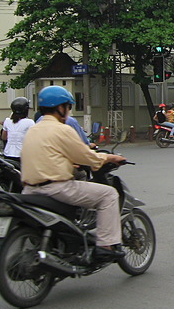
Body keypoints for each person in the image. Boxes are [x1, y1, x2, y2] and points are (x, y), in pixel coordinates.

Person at [20, 86, 126, 260]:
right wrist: (108, 158)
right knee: (109, 194)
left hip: (29, 190)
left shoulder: (33, 130)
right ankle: (105, 245)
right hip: (57, 189)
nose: (68, 111)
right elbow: (86, 156)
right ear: (60, 107)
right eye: (68, 107)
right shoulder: (62, 129)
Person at [1, 97, 35, 162]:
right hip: (23, 155)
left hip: (8, 153)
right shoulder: (30, 122)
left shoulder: (7, 121)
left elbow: (4, 137)